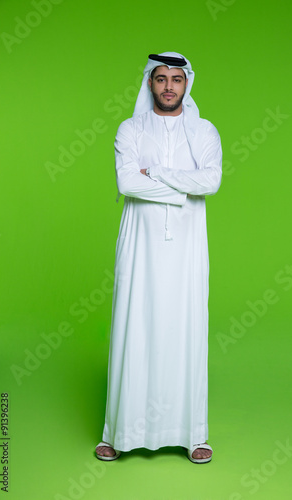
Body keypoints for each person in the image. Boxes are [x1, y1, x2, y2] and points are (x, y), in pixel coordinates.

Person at [95, 52, 222, 464]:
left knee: (186, 327)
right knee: (135, 324)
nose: (169, 87)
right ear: (150, 83)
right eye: (162, 79)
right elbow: (127, 182)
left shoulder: (204, 131)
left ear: (187, 84)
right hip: (140, 244)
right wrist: (183, 189)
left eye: (177, 80)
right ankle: (117, 433)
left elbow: (212, 180)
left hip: (187, 247)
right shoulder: (130, 128)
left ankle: (194, 434)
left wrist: (158, 174)